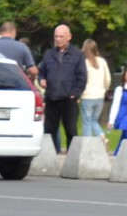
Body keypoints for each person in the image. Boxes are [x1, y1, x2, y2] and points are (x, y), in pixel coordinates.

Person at [36, 24, 87, 153]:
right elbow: (41, 72)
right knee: (49, 130)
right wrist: (41, 80)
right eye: (56, 36)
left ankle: (72, 158)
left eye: (61, 36)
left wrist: (75, 94)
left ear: (69, 37)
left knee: (71, 130)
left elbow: (82, 77)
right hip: (52, 98)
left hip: (68, 99)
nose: (58, 39)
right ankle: (50, 156)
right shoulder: (49, 54)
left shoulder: (77, 55)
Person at [80, 39, 111, 139]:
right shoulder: (102, 61)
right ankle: (101, 136)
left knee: (87, 122)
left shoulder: (84, 63)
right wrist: (104, 89)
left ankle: (87, 144)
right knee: (93, 120)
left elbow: (82, 80)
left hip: (87, 96)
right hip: (100, 96)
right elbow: (108, 79)